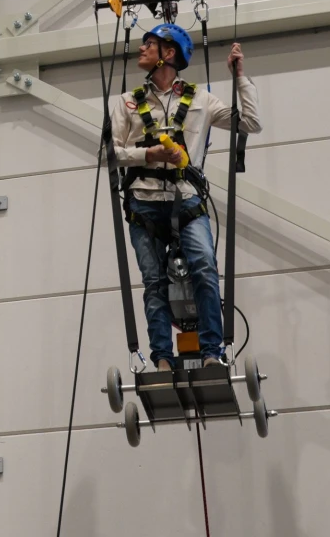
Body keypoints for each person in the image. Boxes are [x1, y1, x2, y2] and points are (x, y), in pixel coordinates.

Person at [110, 23, 261, 371]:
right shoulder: (128, 103)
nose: (141, 49)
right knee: (154, 282)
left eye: (149, 44)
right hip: (143, 205)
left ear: (169, 53)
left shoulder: (201, 100)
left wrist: (240, 77)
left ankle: (212, 353)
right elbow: (109, 153)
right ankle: (162, 359)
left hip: (187, 201)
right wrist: (148, 156)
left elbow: (250, 123)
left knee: (205, 269)